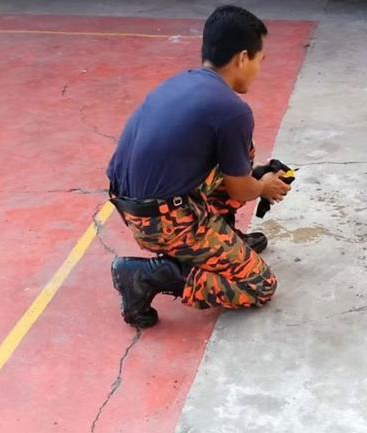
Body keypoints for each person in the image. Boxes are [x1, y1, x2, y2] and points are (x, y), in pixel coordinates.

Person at [105, 5, 291, 328]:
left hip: (133, 203)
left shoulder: (182, 83)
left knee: (242, 161)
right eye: (261, 60)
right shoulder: (233, 110)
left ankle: (223, 238)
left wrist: (254, 176)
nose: (260, 69)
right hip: (162, 220)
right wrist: (263, 186)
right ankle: (147, 277)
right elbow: (239, 188)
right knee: (260, 285)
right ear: (243, 58)